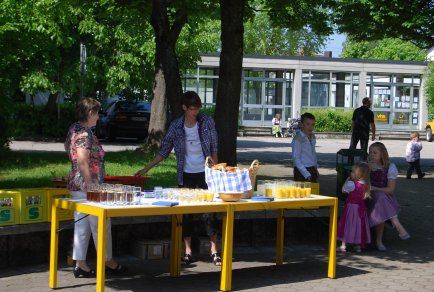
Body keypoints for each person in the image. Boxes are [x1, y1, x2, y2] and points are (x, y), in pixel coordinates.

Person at [135, 91, 221, 266]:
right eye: (192, 109)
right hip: (186, 174)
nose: (195, 112)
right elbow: (164, 151)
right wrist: (145, 169)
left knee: (210, 212)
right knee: (186, 213)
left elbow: (214, 148)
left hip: (205, 172)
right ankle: (188, 251)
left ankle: (214, 250)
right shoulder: (176, 126)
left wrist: (215, 172)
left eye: (197, 108)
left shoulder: (207, 122)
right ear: (184, 107)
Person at [65, 97, 126, 278]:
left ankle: (80, 264)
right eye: (97, 113)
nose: (99, 117)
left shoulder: (74, 129)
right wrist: (91, 185)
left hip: (76, 184)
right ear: (90, 113)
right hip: (86, 186)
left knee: (82, 224)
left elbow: (72, 155)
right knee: (101, 223)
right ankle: (108, 262)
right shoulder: (84, 134)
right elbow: (83, 161)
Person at [367, 142, 410, 252]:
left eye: (375, 153)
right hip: (368, 197)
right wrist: (367, 170)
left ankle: (379, 241)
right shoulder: (366, 166)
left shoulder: (390, 167)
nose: (371, 155)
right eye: (370, 152)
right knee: (381, 201)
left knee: (381, 201)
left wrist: (375, 188)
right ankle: (396, 225)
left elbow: (391, 190)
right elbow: (360, 183)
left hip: (383, 197)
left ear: (382, 154)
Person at [337, 163, 372, 253]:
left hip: (351, 208)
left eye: (352, 171)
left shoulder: (351, 184)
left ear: (358, 174)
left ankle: (343, 245)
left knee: (347, 224)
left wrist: (346, 180)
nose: (350, 173)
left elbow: (343, 190)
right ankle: (358, 246)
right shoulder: (366, 184)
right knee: (359, 226)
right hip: (361, 209)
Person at [291, 112, 319, 182]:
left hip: (312, 168)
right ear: (301, 124)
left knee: (312, 192)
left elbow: (313, 153)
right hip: (301, 171)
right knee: (302, 192)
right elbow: (296, 158)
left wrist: (315, 168)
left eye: (313, 124)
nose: (310, 127)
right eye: (308, 124)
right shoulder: (298, 138)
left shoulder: (312, 137)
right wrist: (306, 174)